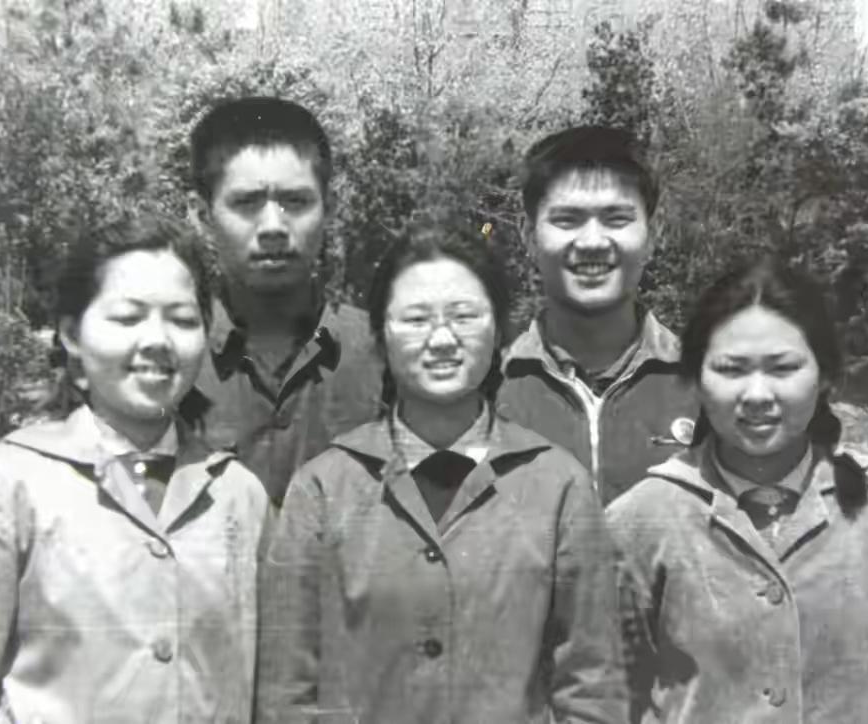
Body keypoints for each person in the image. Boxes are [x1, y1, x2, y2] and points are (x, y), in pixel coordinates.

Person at [0, 215, 270, 722]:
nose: (158, 340)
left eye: (183, 320)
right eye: (127, 318)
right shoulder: (3, 488)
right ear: (72, 334)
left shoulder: (239, 495)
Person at [257, 219, 624, 723]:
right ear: (380, 338)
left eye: (464, 316)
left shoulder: (558, 487)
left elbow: (592, 688)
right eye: (416, 319)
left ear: (499, 331)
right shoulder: (322, 490)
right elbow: (287, 693)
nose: (443, 339)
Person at [606, 259, 868, 723]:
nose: (757, 394)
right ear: (696, 378)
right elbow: (615, 681)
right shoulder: (639, 519)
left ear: (826, 375)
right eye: (731, 369)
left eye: (783, 368)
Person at [188, 96, 383, 506]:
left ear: (329, 208)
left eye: (295, 201)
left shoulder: (381, 351)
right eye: (246, 203)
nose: (273, 226)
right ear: (203, 216)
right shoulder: (174, 359)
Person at [497, 125, 698, 506]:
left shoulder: (705, 387)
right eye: (567, 220)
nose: (592, 242)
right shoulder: (491, 391)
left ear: (653, 235)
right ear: (528, 236)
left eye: (616, 219)